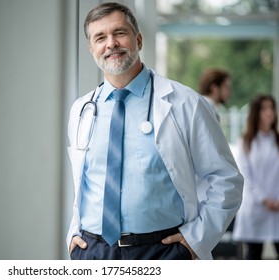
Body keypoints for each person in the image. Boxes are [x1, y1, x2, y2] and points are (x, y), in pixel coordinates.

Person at [66, 2, 243, 260]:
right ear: (91, 48)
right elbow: (84, 184)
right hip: (93, 251)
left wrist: (195, 241)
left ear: (138, 39)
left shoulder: (185, 103)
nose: (111, 43)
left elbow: (226, 178)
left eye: (120, 33)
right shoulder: (81, 110)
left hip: (162, 251)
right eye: (100, 37)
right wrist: (74, 234)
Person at [232, 95, 279, 260]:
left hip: (277, 208)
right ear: (256, 112)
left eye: (272, 108)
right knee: (253, 256)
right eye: (264, 108)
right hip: (255, 208)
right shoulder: (246, 141)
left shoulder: (277, 140)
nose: (270, 113)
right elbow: (246, 175)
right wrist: (265, 200)